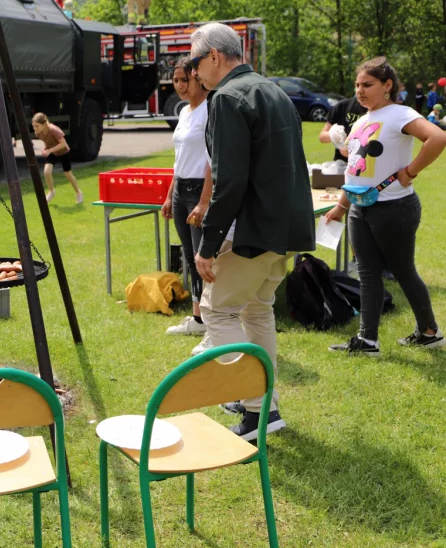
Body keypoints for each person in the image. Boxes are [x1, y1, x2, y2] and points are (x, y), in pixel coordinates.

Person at [189, 23, 315, 441]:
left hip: (255, 229)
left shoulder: (226, 97)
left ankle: (258, 407)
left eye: (194, 61)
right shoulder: (273, 89)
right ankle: (264, 403)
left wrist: (207, 246)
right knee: (257, 311)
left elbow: (229, 181)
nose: (193, 72)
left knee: (216, 312)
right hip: (283, 227)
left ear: (213, 56)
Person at [325, 58, 446, 355]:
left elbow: (438, 137)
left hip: (394, 207)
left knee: (403, 270)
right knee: (367, 273)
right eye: (357, 85)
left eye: (367, 85)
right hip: (358, 207)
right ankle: (367, 340)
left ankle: (429, 331)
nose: (360, 91)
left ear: (387, 85)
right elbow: (355, 169)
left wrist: (411, 171)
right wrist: (341, 206)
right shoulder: (363, 120)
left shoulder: (400, 113)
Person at [160, 57, 211, 337]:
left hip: (199, 189)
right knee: (189, 257)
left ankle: (210, 318)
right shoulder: (184, 112)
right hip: (180, 189)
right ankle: (198, 318)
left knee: (204, 257)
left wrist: (204, 200)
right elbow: (179, 159)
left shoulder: (210, 110)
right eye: (176, 81)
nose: (180, 86)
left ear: (198, 78)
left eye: (184, 80)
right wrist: (170, 195)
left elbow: (211, 160)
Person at [32, 112, 83, 204]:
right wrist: (46, 149)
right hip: (52, 151)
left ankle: (78, 192)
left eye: (37, 126)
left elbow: (63, 144)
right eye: (34, 126)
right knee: (47, 172)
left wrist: (49, 150)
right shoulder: (38, 133)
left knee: (68, 174)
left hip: (63, 151)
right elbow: (47, 141)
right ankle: (51, 191)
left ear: (44, 124)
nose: (35, 129)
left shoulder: (54, 130)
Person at [319, 95, 367, 163]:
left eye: (367, 85)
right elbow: (322, 137)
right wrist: (339, 140)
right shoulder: (343, 106)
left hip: (369, 165)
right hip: (342, 164)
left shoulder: (381, 109)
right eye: (358, 85)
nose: (361, 90)